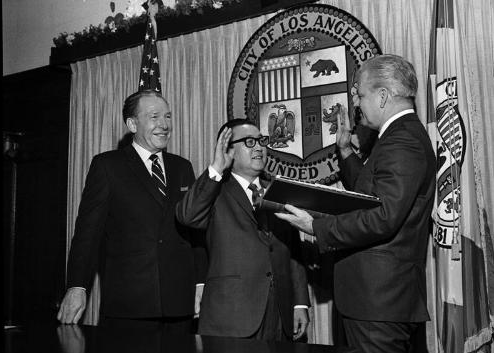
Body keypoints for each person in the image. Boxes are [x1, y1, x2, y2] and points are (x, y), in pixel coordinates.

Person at [275, 54, 436, 353]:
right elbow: (371, 195)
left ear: (383, 96)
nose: (357, 103)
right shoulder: (399, 138)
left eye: (360, 94)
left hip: (379, 303)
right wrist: (346, 151)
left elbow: (383, 216)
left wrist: (317, 227)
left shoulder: (403, 141)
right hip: (379, 302)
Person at [57, 89, 206, 333]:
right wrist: (77, 287)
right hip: (129, 305)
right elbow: (87, 234)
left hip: (179, 303)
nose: (164, 125)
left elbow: (195, 232)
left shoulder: (182, 167)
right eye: (154, 117)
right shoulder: (107, 166)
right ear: (132, 124)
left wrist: (200, 282)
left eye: (167, 117)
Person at [175, 119, 310, 341]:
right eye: (249, 142)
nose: (258, 147)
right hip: (231, 316)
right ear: (230, 150)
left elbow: (292, 249)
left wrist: (299, 302)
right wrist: (217, 168)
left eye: (261, 141)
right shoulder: (214, 190)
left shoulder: (280, 191)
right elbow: (187, 216)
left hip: (279, 313)